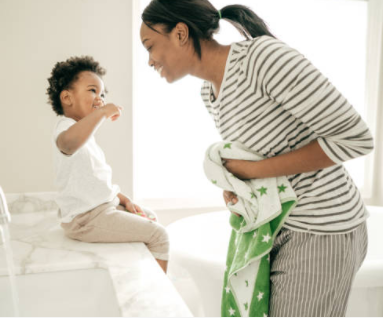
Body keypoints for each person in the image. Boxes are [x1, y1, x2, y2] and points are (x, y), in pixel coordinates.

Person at [140, 0, 373, 315]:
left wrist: (254, 171)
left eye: (150, 46)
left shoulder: (261, 58)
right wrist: (240, 187)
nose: (149, 61)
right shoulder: (210, 93)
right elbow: (273, 155)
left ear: (180, 33)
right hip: (278, 229)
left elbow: (355, 138)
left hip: (322, 228)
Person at [46, 56, 169, 273]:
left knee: (148, 216)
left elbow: (96, 181)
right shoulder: (65, 129)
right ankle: (158, 291)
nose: (100, 98)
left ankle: (144, 274)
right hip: (85, 219)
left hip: (100, 209)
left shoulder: (86, 137)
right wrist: (102, 113)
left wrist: (123, 199)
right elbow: (67, 145)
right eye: (93, 90)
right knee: (159, 235)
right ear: (67, 97)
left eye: (102, 94)